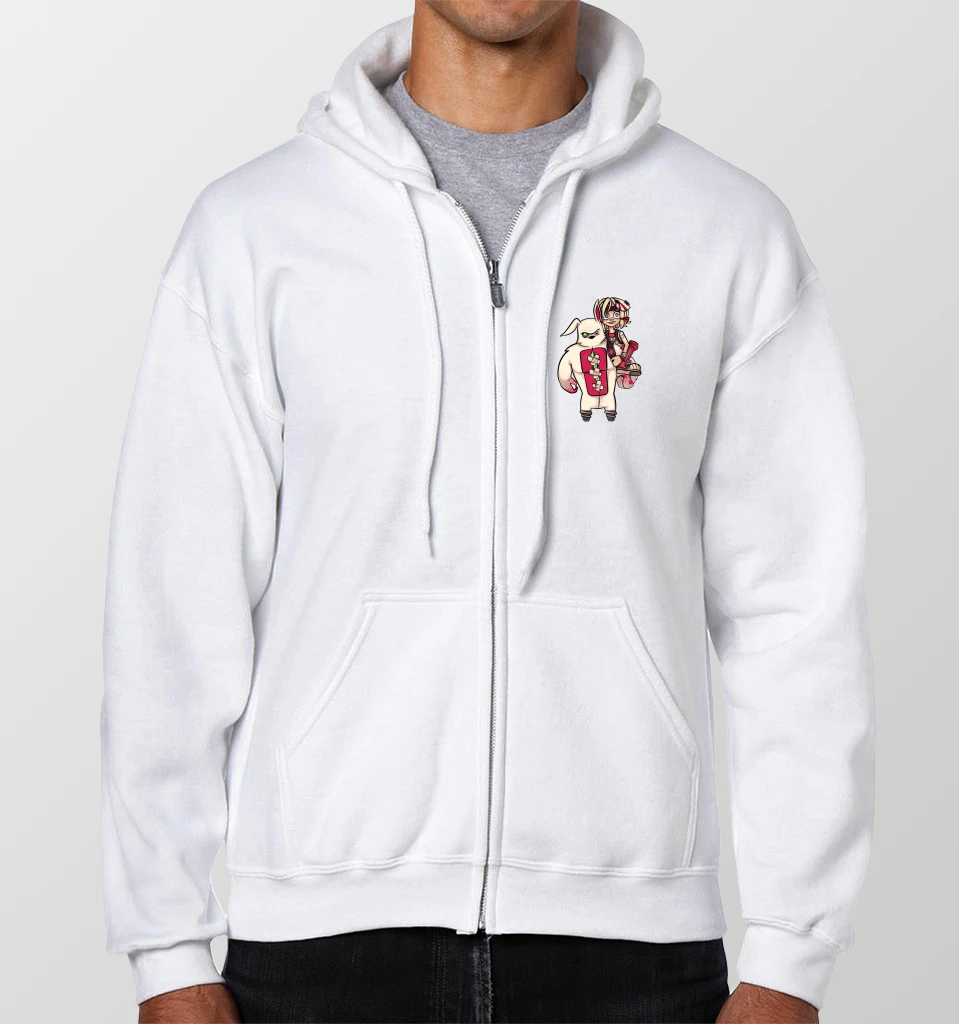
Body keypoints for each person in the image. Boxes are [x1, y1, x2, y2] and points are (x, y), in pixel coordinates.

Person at [101, 2, 874, 1022]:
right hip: (317, 947)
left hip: (634, 952)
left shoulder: (726, 234)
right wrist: (166, 948)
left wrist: (790, 958)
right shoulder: (253, 232)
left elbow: (796, 610)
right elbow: (173, 599)